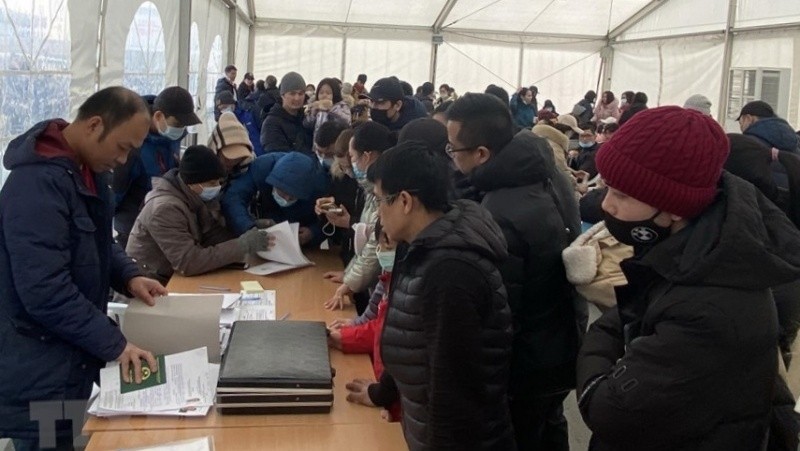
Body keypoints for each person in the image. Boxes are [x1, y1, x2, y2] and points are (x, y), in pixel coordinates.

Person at [577, 106, 800, 450]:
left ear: (675, 206)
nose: (607, 206)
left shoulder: (710, 304)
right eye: (608, 189)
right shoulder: (691, 251)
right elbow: (629, 314)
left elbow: (609, 409)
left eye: (622, 195)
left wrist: (598, 343)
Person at [0, 86, 168, 448]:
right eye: (122, 148)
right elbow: (45, 290)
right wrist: (115, 344)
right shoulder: (37, 185)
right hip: (37, 363)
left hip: (67, 354)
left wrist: (128, 274)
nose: (123, 161)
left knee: (68, 437)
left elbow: (94, 241)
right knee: (46, 442)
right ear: (94, 125)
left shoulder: (85, 171)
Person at [447, 93, 582, 450]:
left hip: (527, 363)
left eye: (453, 150)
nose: (450, 158)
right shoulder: (545, 172)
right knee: (550, 429)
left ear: (481, 154)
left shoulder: (501, 211)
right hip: (561, 341)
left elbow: (501, 312)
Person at [368, 140, 515, 450]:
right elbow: (413, 340)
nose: (378, 212)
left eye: (380, 200)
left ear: (405, 201)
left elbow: (453, 390)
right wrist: (383, 392)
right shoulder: (420, 245)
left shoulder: (450, 272)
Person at [126, 146, 271, 285]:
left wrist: (248, 228)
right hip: (151, 283)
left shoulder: (193, 197)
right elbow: (188, 262)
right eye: (212, 183)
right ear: (191, 182)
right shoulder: (165, 210)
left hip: (170, 277)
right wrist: (242, 245)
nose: (217, 187)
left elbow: (212, 234)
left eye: (219, 182)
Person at [328, 221, 401, 421]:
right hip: (387, 396)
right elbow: (380, 328)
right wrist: (342, 338)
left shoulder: (407, 291)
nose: (379, 251)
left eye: (386, 244)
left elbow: (407, 357)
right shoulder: (390, 280)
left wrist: (391, 406)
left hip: (397, 409)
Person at [113, 86, 201, 249]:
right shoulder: (133, 146)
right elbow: (114, 195)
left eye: (184, 124)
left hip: (163, 220)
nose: (181, 128)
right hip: (134, 228)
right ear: (159, 116)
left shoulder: (169, 137)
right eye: (178, 123)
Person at [323, 122, 396, 314]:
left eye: (353, 157)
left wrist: (348, 284)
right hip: (373, 283)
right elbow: (366, 243)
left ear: (367, 156)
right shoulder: (371, 189)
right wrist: (349, 275)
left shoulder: (384, 190)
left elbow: (374, 242)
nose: (351, 164)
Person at [221, 150, 329, 247]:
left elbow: (331, 219)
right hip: (265, 226)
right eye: (282, 191)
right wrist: (247, 227)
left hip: (301, 235)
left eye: (292, 196)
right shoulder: (262, 168)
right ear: (272, 181)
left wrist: (313, 232)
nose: (286, 199)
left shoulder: (320, 184)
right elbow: (234, 198)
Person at [737, 100, 800, 189]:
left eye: (741, 123)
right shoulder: (795, 141)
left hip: (764, 198)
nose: (741, 128)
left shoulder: (748, 143)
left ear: (748, 118)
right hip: (792, 198)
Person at [260, 71, 314, 155]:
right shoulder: (271, 123)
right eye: (292, 94)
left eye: (300, 94)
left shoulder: (307, 119)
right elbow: (276, 156)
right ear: (282, 95)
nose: (297, 98)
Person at [304, 77, 351, 147]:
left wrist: (330, 111)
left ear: (335, 94)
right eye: (321, 93)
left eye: (328, 93)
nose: (324, 95)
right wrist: (313, 114)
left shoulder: (342, 107)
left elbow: (345, 123)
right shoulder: (317, 109)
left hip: (335, 148)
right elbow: (307, 125)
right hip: (318, 147)